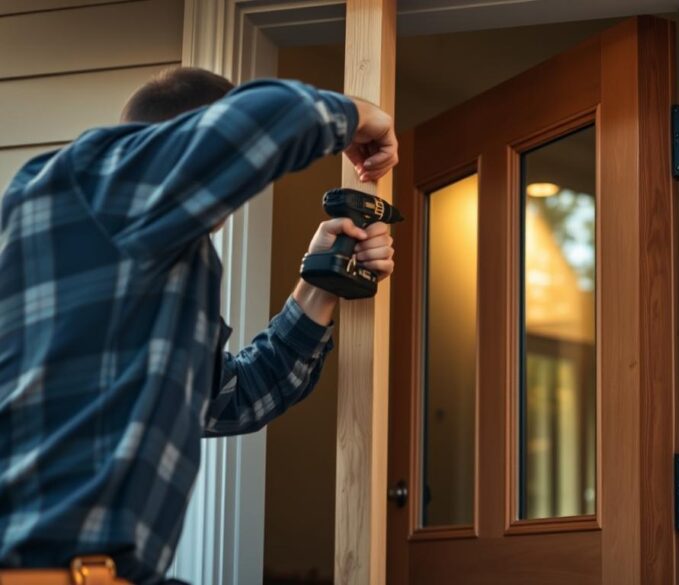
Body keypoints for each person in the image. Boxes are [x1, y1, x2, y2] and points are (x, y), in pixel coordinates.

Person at [0, 67, 399, 584]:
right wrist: (368, 117)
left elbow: (234, 397)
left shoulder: (137, 270)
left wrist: (321, 281)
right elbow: (263, 119)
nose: (227, 208)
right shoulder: (92, 181)